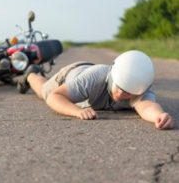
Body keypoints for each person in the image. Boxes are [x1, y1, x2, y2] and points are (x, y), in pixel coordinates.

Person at [17, 50, 174, 130]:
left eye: (128, 92)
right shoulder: (94, 79)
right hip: (73, 73)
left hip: (89, 74)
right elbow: (54, 96)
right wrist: (77, 111)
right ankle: (31, 74)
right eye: (118, 87)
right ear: (113, 76)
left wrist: (159, 116)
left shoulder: (139, 85)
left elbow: (147, 106)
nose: (121, 94)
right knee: (43, 91)